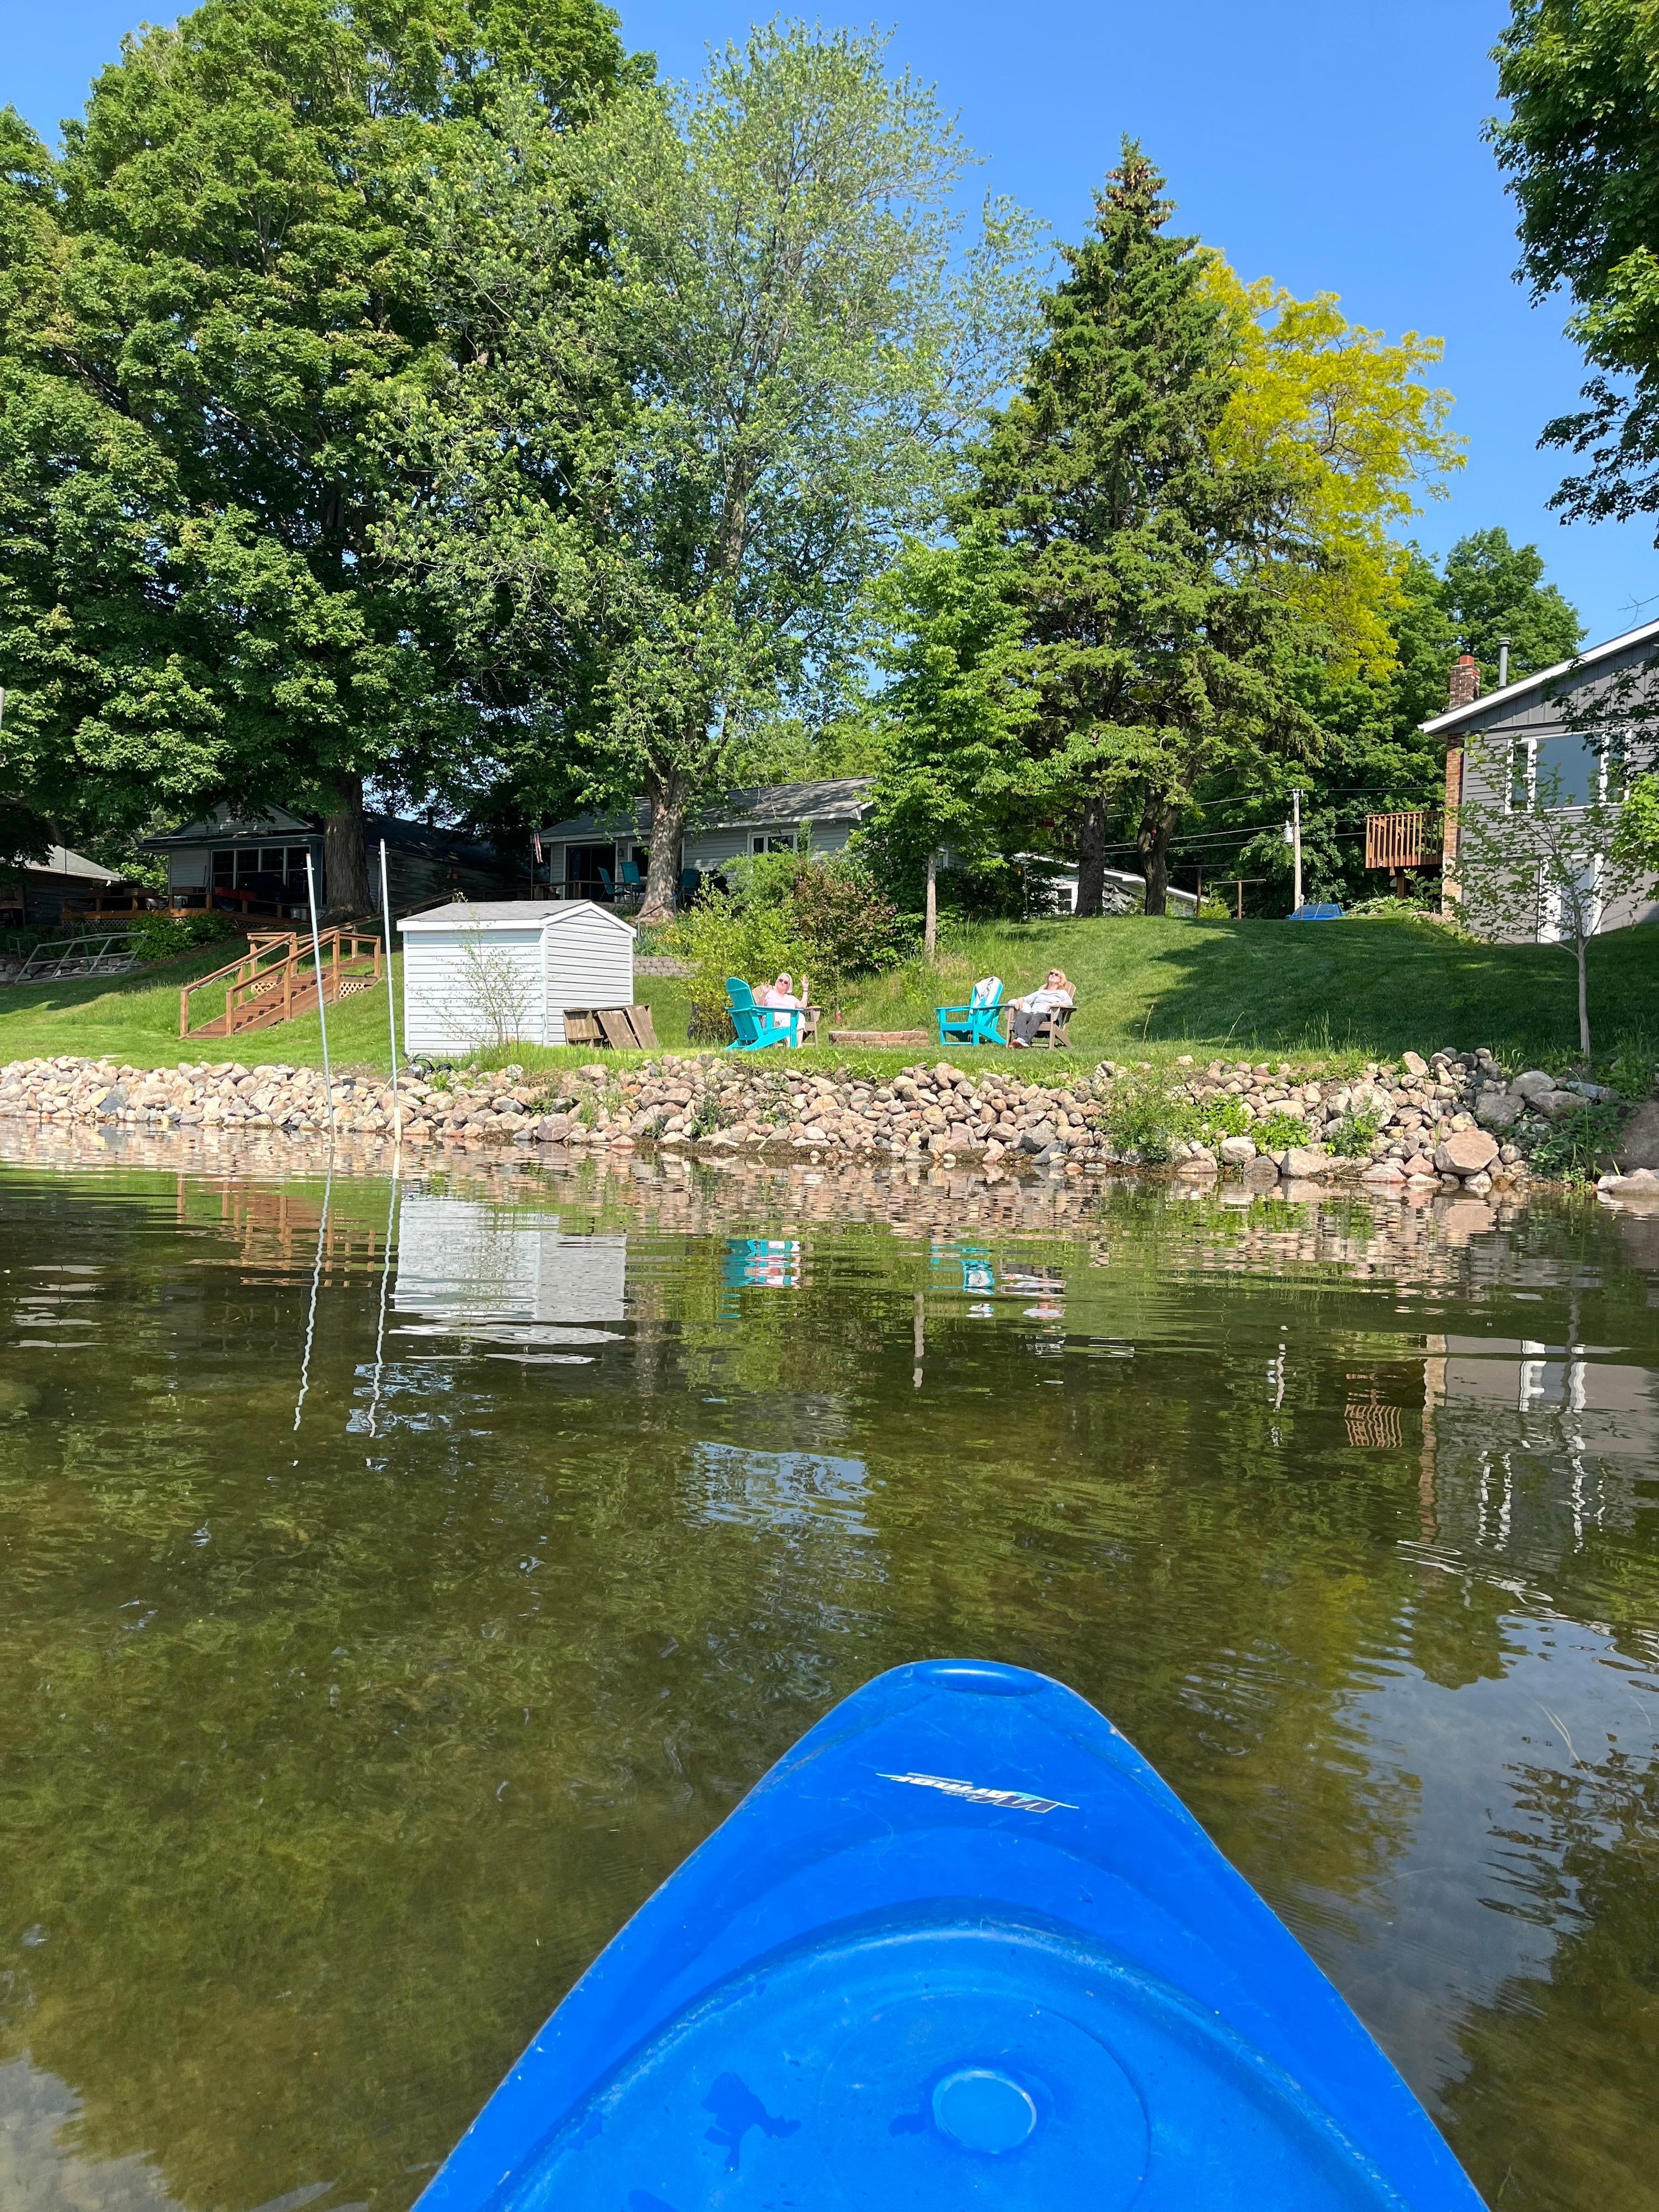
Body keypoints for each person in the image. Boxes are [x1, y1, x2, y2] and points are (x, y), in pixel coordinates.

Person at [1007, 969, 1074, 1047]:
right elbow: (1027, 998)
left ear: (1061, 980)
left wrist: (1055, 1004)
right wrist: (1021, 999)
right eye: (1052, 973)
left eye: (1056, 975)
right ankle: (1020, 1039)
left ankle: (1023, 1040)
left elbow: (1070, 1003)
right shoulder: (1041, 992)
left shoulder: (1061, 993)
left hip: (1051, 1017)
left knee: (1037, 1016)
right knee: (1021, 1016)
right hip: (1034, 1014)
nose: (1053, 975)